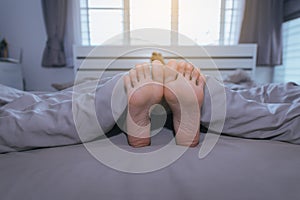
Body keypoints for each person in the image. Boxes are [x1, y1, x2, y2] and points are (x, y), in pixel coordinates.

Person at [1, 59, 300, 153]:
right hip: (211, 91)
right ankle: (210, 99)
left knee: (74, 100)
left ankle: (113, 98)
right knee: (76, 91)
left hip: (234, 82)